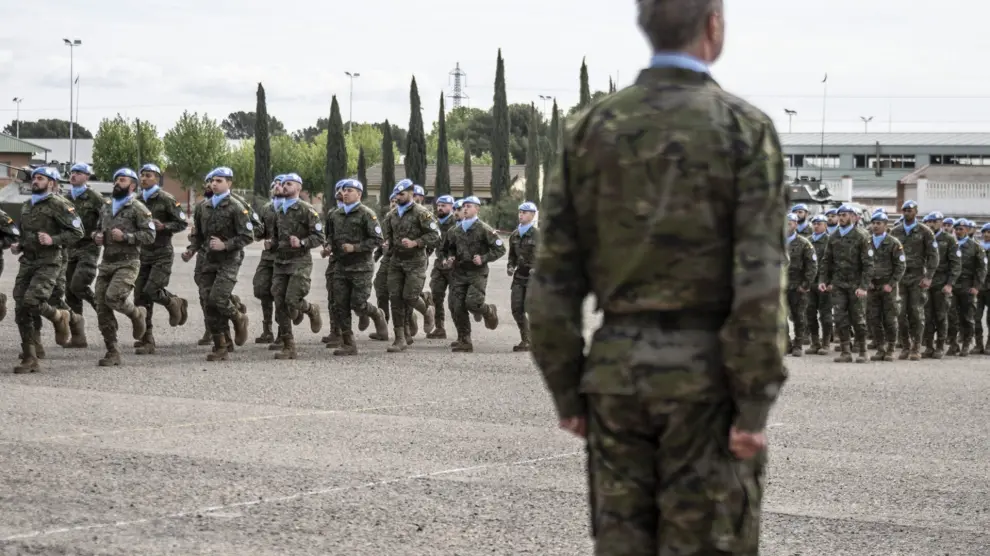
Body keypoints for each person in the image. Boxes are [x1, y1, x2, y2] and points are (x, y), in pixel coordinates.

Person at [528, 1, 787, 553]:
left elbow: (551, 281)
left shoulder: (590, 129)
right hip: (707, 383)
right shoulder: (744, 128)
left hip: (617, 376)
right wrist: (754, 401)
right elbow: (760, 281)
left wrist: (568, 393)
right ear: (713, 25)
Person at [10, 167, 81, 372]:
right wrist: (19, 246)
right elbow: (25, 234)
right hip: (28, 262)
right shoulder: (27, 206)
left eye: (40, 179)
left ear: (51, 183)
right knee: (21, 308)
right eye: (34, 178)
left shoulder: (60, 204)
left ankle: (60, 316)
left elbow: (78, 231)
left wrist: (54, 239)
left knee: (33, 301)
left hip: (49, 261)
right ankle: (30, 357)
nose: (35, 182)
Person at [92, 168, 156, 367]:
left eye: (122, 180)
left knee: (113, 297)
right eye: (115, 180)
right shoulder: (106, 206)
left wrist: (127, 237)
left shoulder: (138, 208)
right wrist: (97, 236)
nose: (116, 183)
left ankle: (137, 314)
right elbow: (97, 228)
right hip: (107, 262)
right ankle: (113, 351)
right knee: (101, 306)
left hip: (128, 262)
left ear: (133, 185)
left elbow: (150, 235)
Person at [189, 166, 253, 360]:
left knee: (218, 298)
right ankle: (221, 346)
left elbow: (247, 236)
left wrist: (225, 245)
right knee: (208, 302)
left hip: (229, 260)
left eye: (219, 181)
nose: (214, 184)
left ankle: (238, 317)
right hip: (208, 260)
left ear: (229, 183)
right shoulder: (203, 207)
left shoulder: (236, 207)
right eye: (212, 181)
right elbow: (198, 235)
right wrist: (191, 249)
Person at [326, 178, 387, 354]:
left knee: (358, 303)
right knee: (340, 304)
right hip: (340, 266)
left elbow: (377, 240)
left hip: (361, 267)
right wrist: (328, 245)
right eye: (343, 190)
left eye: (349, 190)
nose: (345, 193)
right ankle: (348, 343)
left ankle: (376, 314)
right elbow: (329, 235)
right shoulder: (334, 214)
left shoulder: (367, 214)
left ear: (359, 194)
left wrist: (356, 247)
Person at [133, 163, 189, 354]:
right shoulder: (137, 200)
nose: (144, 179)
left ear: (157, 178)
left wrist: (164, 226)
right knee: (140, 296)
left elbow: (182, 223)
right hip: (143, 253)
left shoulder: (166, 199)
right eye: (142, 175)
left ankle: (174, 302)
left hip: (162, 252)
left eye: (148, 175)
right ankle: (147, 339)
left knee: (152, 290)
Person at [64, 163, 106, 348]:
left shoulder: (95, 197)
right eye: (72, 172)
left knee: (78, 285)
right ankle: (78, 336)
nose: (73, 175)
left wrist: (100, 232)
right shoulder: (65, 198)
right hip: (69, 248)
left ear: (87, 177)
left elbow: (107, 216)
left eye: (78, 173)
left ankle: (101, 307)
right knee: (69, 293)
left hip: (88, 247)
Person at [506, 201, 539, 351]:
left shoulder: (538, 235)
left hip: (534, 278)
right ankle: (526, 339)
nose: (521, 215)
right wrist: (510, 267)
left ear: (532, 215)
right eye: (520, 212)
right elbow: (511, 256)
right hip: (519, 277)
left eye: (525, 213)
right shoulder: (514, 235)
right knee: (516, 308)